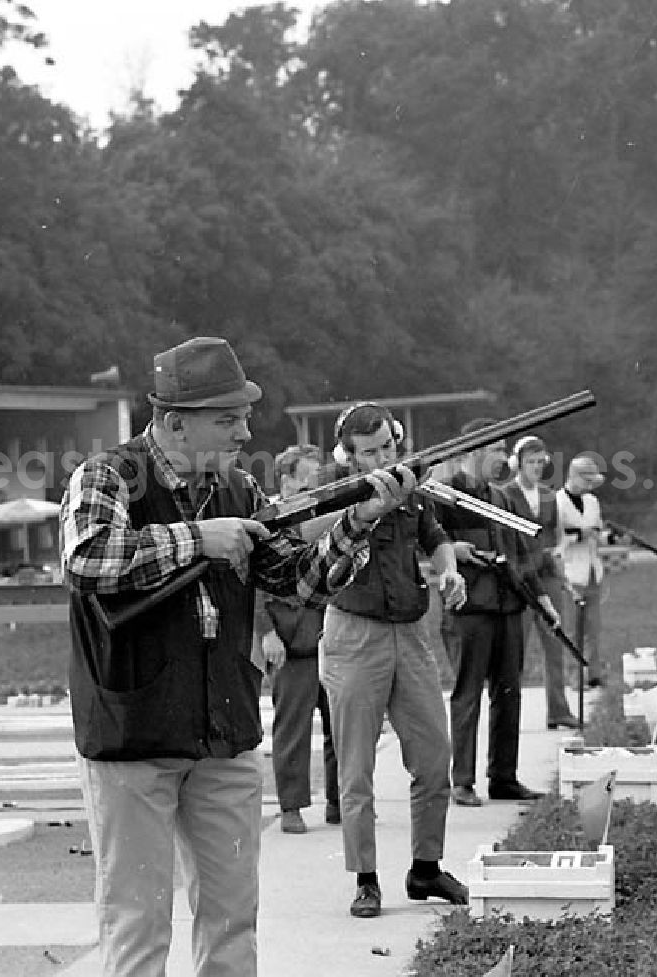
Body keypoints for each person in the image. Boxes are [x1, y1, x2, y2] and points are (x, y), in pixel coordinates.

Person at [59, 337, 415, 977]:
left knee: (232, 923)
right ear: (174, 423)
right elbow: (88, 562)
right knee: (136, 927)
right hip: (131, 733)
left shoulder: (239, 488)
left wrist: (358, 524)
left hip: (223, 733)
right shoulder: (108, 476)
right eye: (227, 418)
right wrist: (198, 539)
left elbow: (299, 581)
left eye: (243, 415)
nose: (246, 428)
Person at [319, 401, 469, 919]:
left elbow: (437, 538)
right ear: (347, 455)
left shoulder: (410, 490)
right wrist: (367, 508)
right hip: (354, 636)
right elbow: (316, 549)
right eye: (369, 452)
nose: (383, 458)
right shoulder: (330, 492)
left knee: (434, 754)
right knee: (356, 767)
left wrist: (449, 571)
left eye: (388, 446)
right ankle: (365, 879)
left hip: (411, 632)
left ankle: (426, 868)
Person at [434, 420, 559, 808]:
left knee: (509, 693)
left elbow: (521, 553)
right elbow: (425, 541)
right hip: (469, 608)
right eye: (496, 450)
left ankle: (503, 777)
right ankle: (462, 780)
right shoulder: (444, 495)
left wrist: (542, 598)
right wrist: (452, 549)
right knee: (468, 693)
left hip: (508, 605)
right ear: (472, 451)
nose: (503, 459)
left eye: (505, 450)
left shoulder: (502, 499)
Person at [260, 443, 340, 834]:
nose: (314, 487)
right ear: (287, 481)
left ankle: (340, 804)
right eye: (307, 479)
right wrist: (266, 632)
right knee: (292, 726)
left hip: (329, 634)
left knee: (340, 723)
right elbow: (250, 581)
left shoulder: (324, 518)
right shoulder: (267, 521)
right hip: (289, 640)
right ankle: (291, 806)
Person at [506, 435, 579, 730]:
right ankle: (510, 715)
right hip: (521, 578)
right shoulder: (505, 494)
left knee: (556, 643)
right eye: (530, 462)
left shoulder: (550, 495)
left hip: (547, 575)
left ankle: (558, 711)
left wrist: (558, 552)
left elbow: (558, 535)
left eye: (540, 462)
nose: (536, 467)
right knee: (516, 650)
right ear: (518, 463)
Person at [554, 453, 612, 688]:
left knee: (593, 629)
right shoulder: (557, 502)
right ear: (574, 476)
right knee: (572, 630)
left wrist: (609, 537)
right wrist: (579, 535)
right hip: (569, 572)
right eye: (586, 481)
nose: (589, 486)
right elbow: (557, 539)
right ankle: (574, 677)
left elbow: (597, 533)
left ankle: (594, 673)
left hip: (592, 572)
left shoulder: (592, 502)